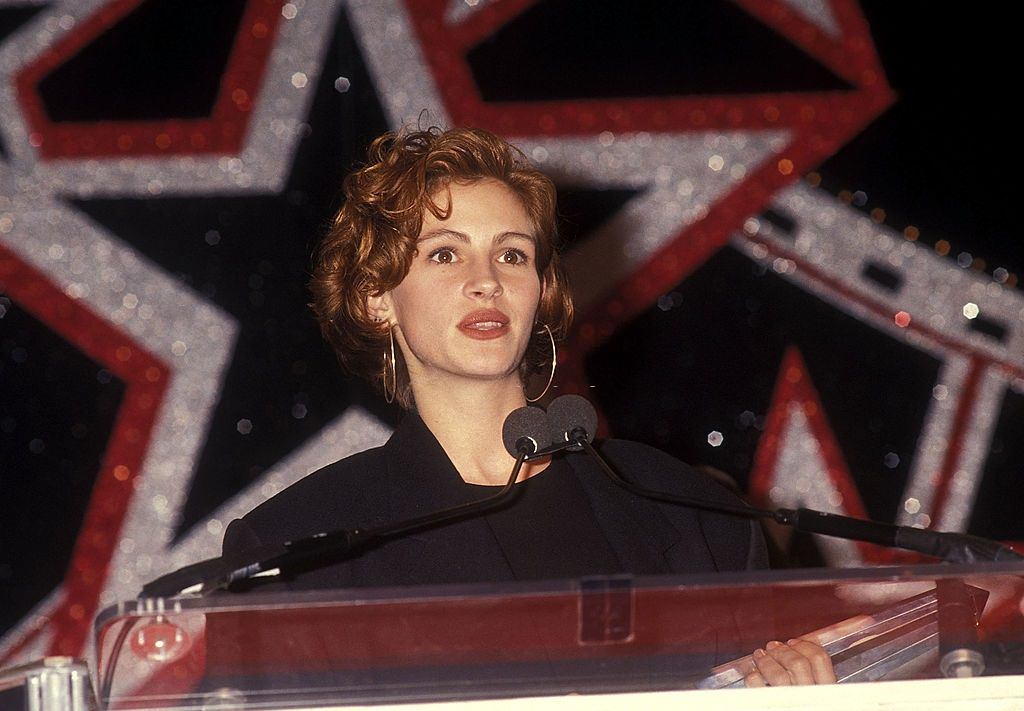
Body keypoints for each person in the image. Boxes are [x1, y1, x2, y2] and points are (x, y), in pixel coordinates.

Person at [221, 126, 835, 687]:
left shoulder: (684, 506)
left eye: (512, 254)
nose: (486, 279)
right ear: (376, 298)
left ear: (540, 294)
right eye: (445, 253)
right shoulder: (295, 549)